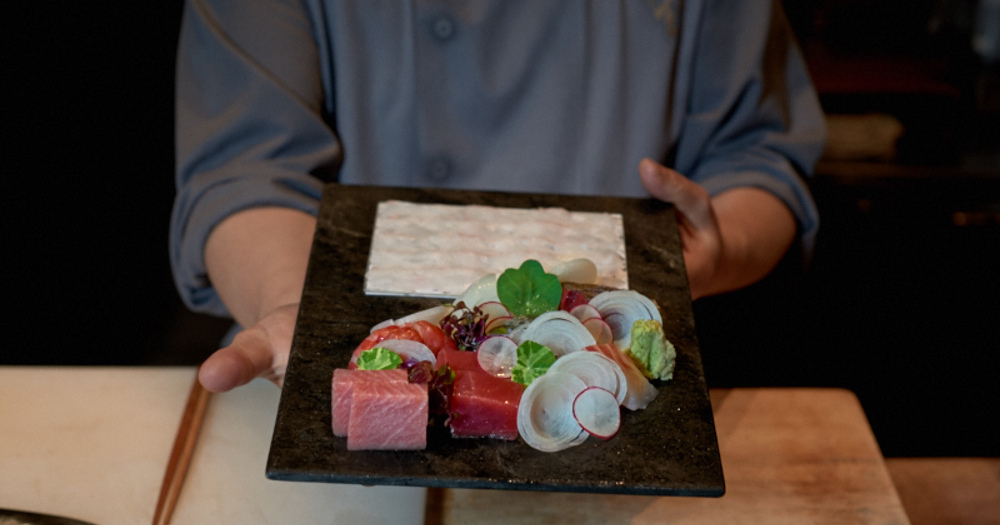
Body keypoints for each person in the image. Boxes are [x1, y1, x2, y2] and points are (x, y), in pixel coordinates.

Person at [170, 0, 827, 393]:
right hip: (348, 351)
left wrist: (718, 249)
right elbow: (246, 169)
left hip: (615, 367)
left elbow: (759, 158)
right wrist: (294, 307)